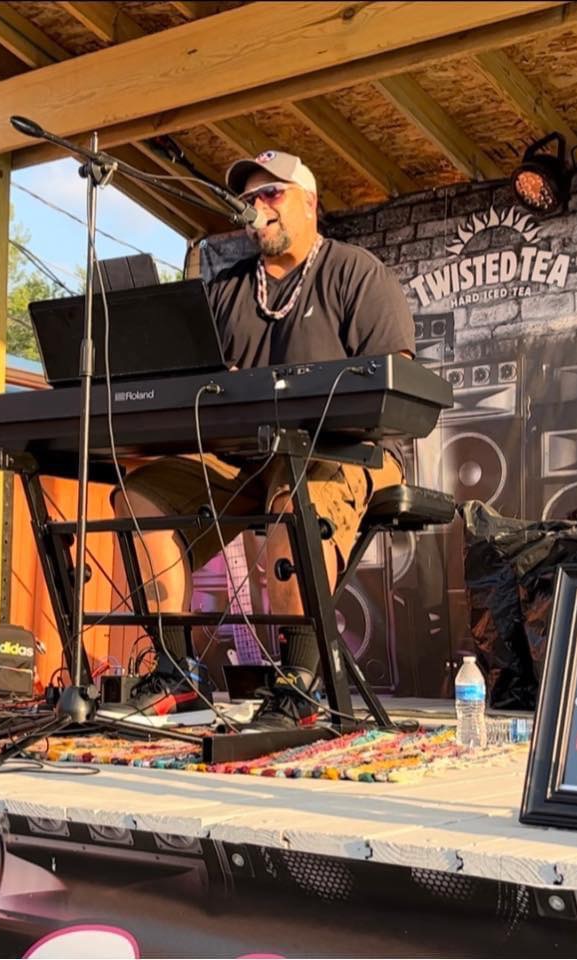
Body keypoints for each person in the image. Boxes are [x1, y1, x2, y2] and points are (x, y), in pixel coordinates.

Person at [114, 150, 415, 728]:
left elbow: (393, 384)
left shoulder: (356, 272)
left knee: (292, 489)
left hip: (345, 453)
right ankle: (176, 673)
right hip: (243, 460)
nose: (258, 208)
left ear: (309, 203)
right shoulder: (224, 291)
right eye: (251, 199)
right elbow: (191, 384)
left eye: (272, 194)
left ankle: (299, 682)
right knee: (137, 498)